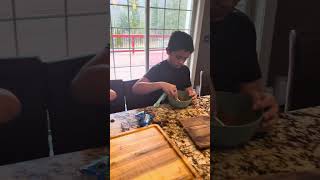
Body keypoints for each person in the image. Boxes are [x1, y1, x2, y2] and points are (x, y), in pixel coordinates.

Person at [212, 0, 278, 130]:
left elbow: (250, 89)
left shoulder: (242, 25)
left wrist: (262, 106)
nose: (229, 4)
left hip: (228, 131)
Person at [132, 31, 197, 100]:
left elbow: (189, 89)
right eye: (178, 57)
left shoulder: (185, 70)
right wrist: (161, 84)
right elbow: (136, 88)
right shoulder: (158, 69)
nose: (181, 62)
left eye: (185, 58)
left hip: (179, 108)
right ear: (168, 51)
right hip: (159, 108)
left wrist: (192, 93)